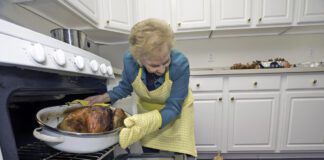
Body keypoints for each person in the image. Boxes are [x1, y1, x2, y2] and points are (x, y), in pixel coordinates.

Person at [85, 18, 197, 157]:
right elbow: (126, 87)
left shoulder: (180, 64)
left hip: (176, 112)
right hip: (147, 109)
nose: (162, 70)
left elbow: (174, 107)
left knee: (181, 154)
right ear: (139, 59)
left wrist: (148, 121)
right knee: (150, 154)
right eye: (154, 65)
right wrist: (102, 97)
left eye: (166, 62)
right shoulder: (130, 60)